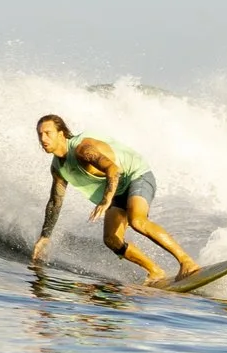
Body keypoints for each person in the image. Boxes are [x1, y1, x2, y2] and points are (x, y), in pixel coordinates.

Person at [29, 114, 199, 284]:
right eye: (40, 134)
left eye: (48, 133)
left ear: (61, 133)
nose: (43, 138)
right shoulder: (58, 167)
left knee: (137, 221)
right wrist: (45, 236)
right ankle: (155, 271)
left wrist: (106, 199)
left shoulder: (82, 150)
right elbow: (55, 201)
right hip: (117, 188)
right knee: (111, 239)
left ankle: (187, 262)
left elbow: (112, 169)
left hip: (136, 176)